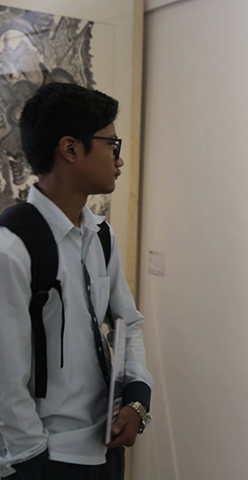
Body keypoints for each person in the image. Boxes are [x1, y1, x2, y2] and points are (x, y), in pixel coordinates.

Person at [0, 83, 152, 480]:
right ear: (70, 149)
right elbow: (6, 379)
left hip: (105, 448)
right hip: (46, 458)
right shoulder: (11, 248)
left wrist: (137, 397)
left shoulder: (99, 235)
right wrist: (33, 461)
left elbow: (127, 323)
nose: (119, 160)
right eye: (111, 145)